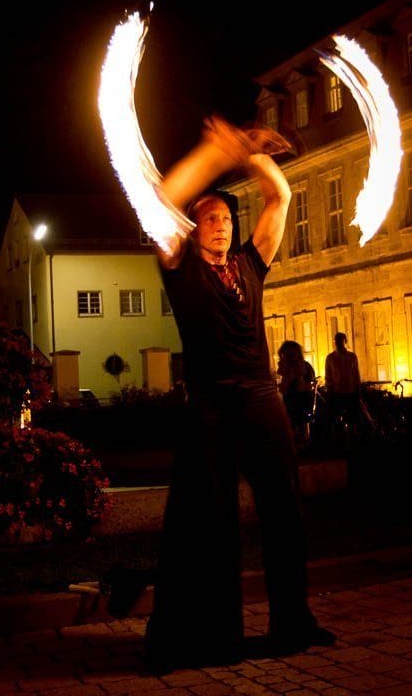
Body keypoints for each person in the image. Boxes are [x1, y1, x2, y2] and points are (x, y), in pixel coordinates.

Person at [102, 117, 335, 672]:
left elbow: (278, 195)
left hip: (260, 395)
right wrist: (218, 150)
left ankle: (292, 622)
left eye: (227, 219)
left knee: (284, 509)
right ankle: (213, 634)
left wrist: (251, 154)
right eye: (209, 218)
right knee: (211, 518)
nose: (221, 227)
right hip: (211, 402)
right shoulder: (180, 266)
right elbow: (161, 198)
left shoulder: (251, 264)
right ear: (193, 226)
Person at [277, 340, 315, 446]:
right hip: (289, 396)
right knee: (291, 421)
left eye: (292, 353)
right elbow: (281, 379)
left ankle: (303, 442)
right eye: (287, 354)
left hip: (301, 395)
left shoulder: (304, 365)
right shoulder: (284, 366)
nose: (290, 356)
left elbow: (309, 379)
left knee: (302, 421)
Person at [325, 332, 361, 427]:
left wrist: (357, 389)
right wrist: (330, 390)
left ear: (345, 341)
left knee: (352, 419)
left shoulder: (352, 357)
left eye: (340, 341)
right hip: (337, 393)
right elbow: (328, 376)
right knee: (338, 421)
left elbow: (356, 374)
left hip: (350, 392)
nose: (338, 343)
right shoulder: (330, 358)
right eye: (337, 341)